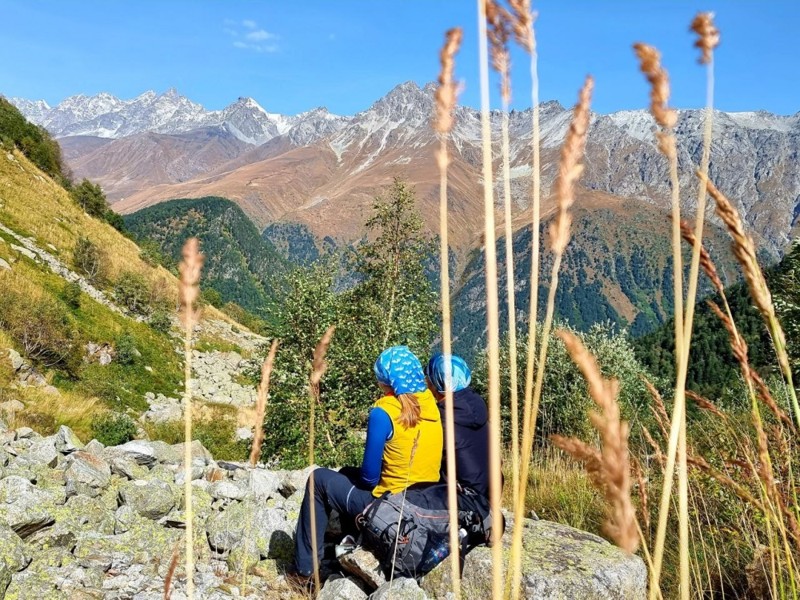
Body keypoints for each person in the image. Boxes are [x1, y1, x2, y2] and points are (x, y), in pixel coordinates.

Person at [291, 345, 443, 583]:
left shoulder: (384, 413)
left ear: (386, 382)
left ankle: (304, 572)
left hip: (388, 506)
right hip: (423, 502)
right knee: (344, 473)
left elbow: (370, 478)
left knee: (317, 480)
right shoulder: (432, 405)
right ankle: (352, 544)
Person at [424, 353, 490, 499]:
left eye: (428, 376)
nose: (426, 380)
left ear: (436, 381)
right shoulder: (477, 404)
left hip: (463, 496)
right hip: (491, 488)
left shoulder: (440, 417)